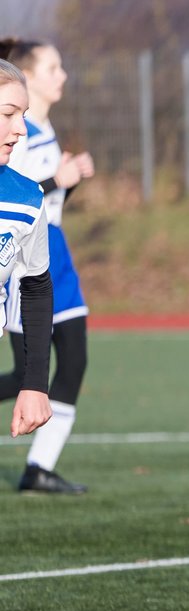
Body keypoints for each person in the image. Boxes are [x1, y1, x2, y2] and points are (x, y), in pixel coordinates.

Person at [0, 38, 91, 492]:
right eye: (53, 67)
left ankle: (40, 466)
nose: (63, 76)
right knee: (21, 372)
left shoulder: (33, 142)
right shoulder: (21, 138)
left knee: (71, 360)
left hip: (54, 255)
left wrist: (65, 182)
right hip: (32, 257)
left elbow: (35, 203)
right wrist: (60, 177)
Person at [0, 57, 54, 441]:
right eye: (8, 114)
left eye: (24, 114)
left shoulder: (26, 198)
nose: (20, 129)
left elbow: (35, 287)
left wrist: (35, 384)